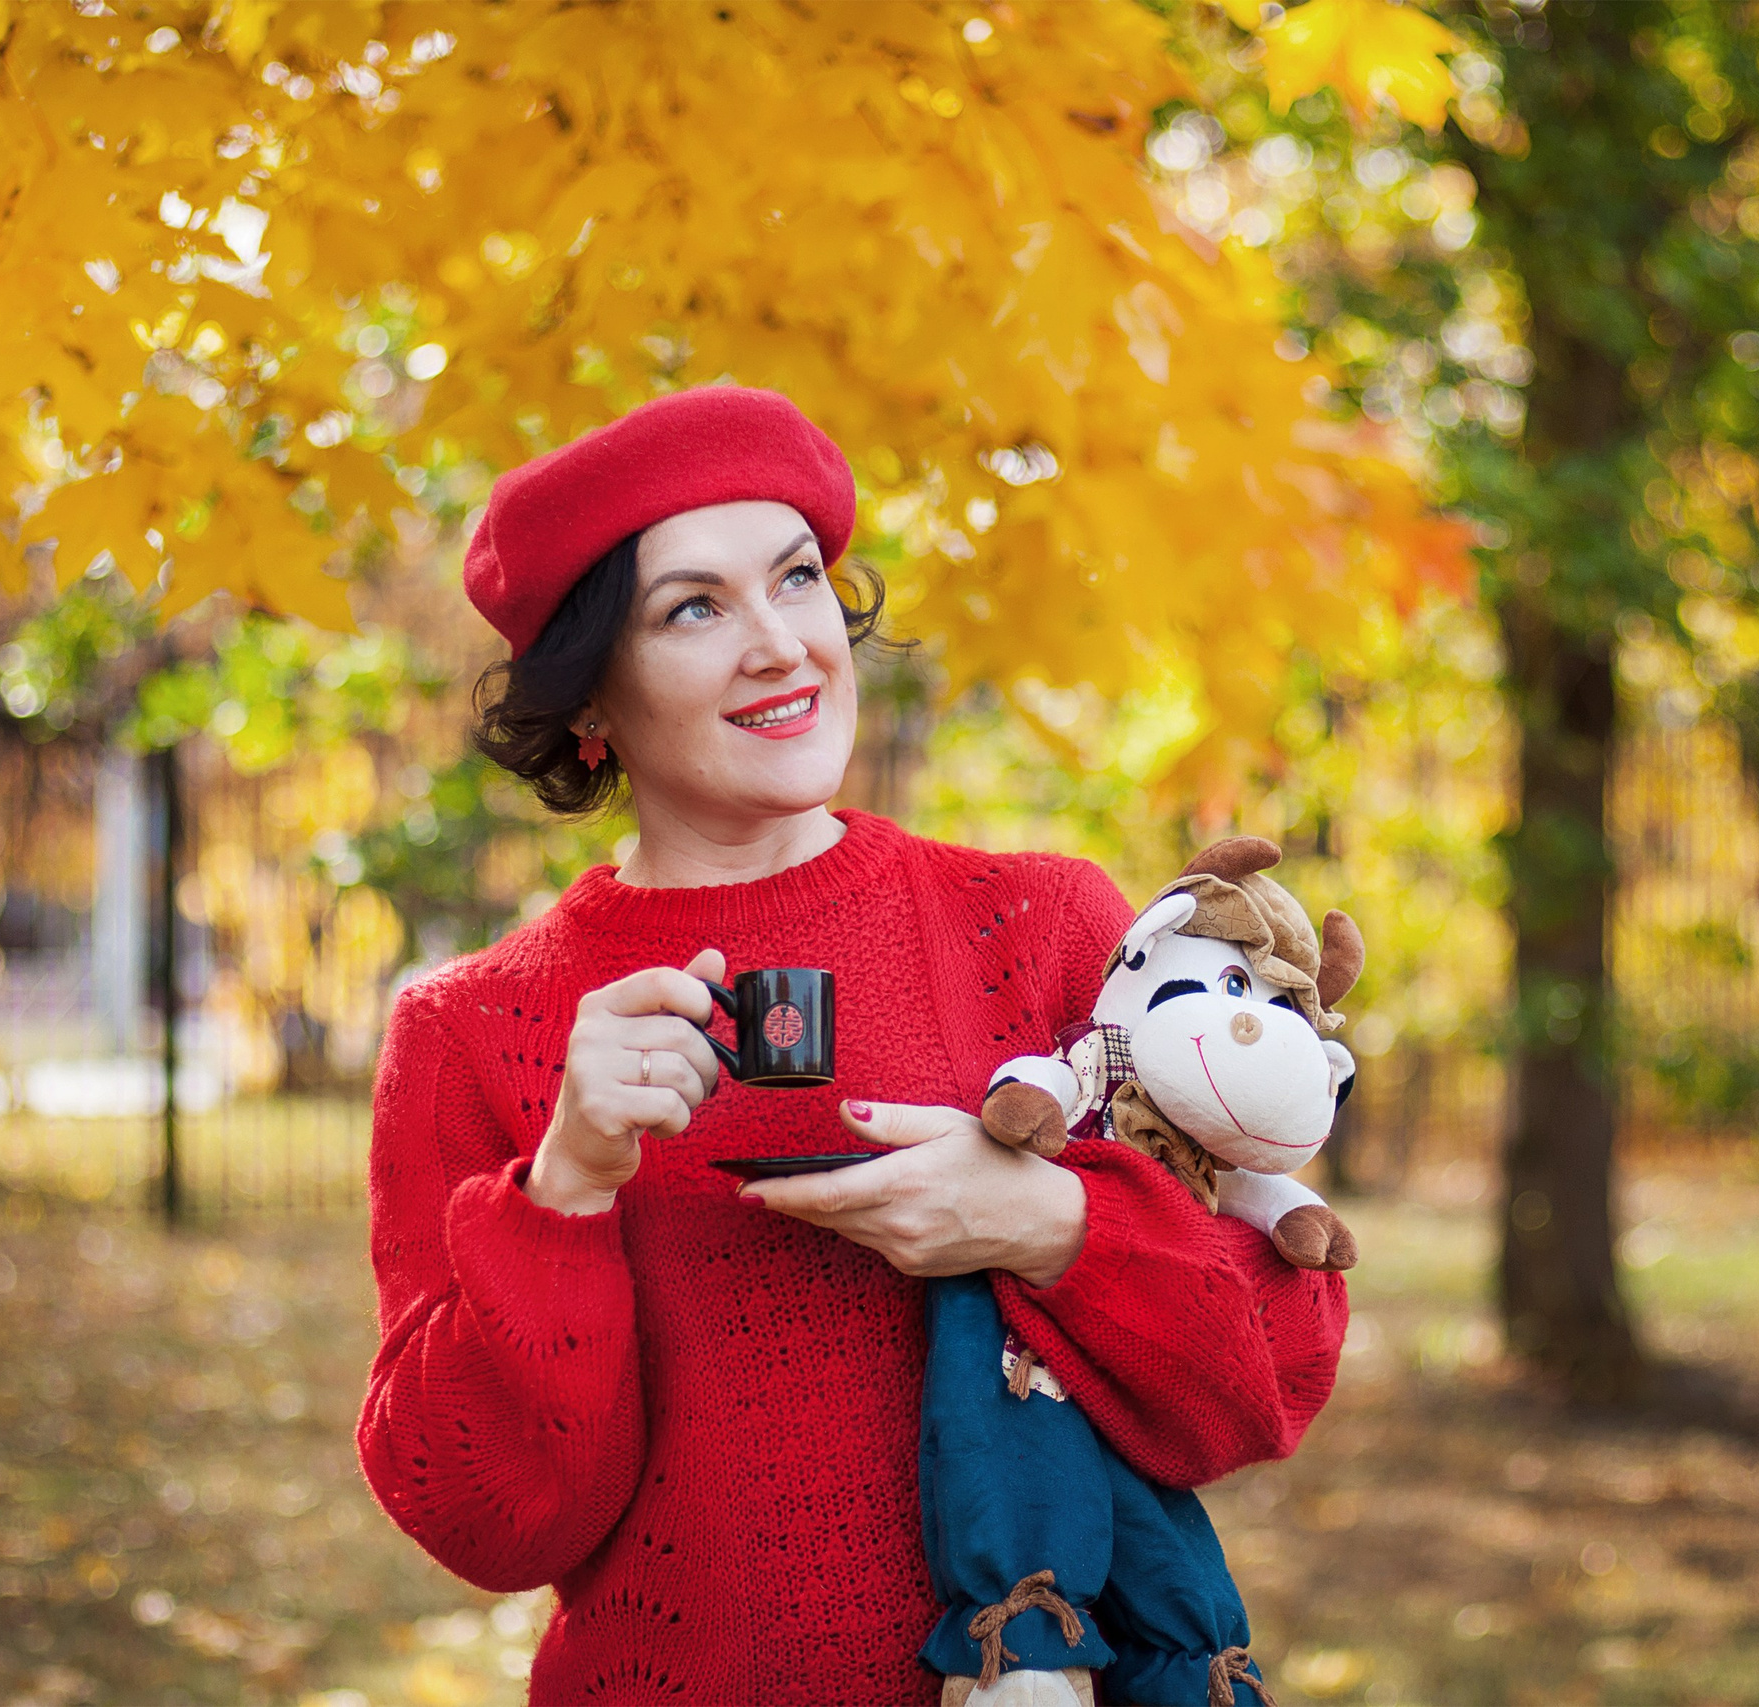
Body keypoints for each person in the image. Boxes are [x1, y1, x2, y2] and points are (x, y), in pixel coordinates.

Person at [357, 386, 1348, 1704]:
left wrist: (1054, 1226)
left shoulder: (1046, 926)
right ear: (590, 702)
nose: (779, 645)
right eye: (693, 609)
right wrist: (565, 1191)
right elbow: (484, 1520)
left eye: (798, 580)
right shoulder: (475, 1028)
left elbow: (1266, 1384)